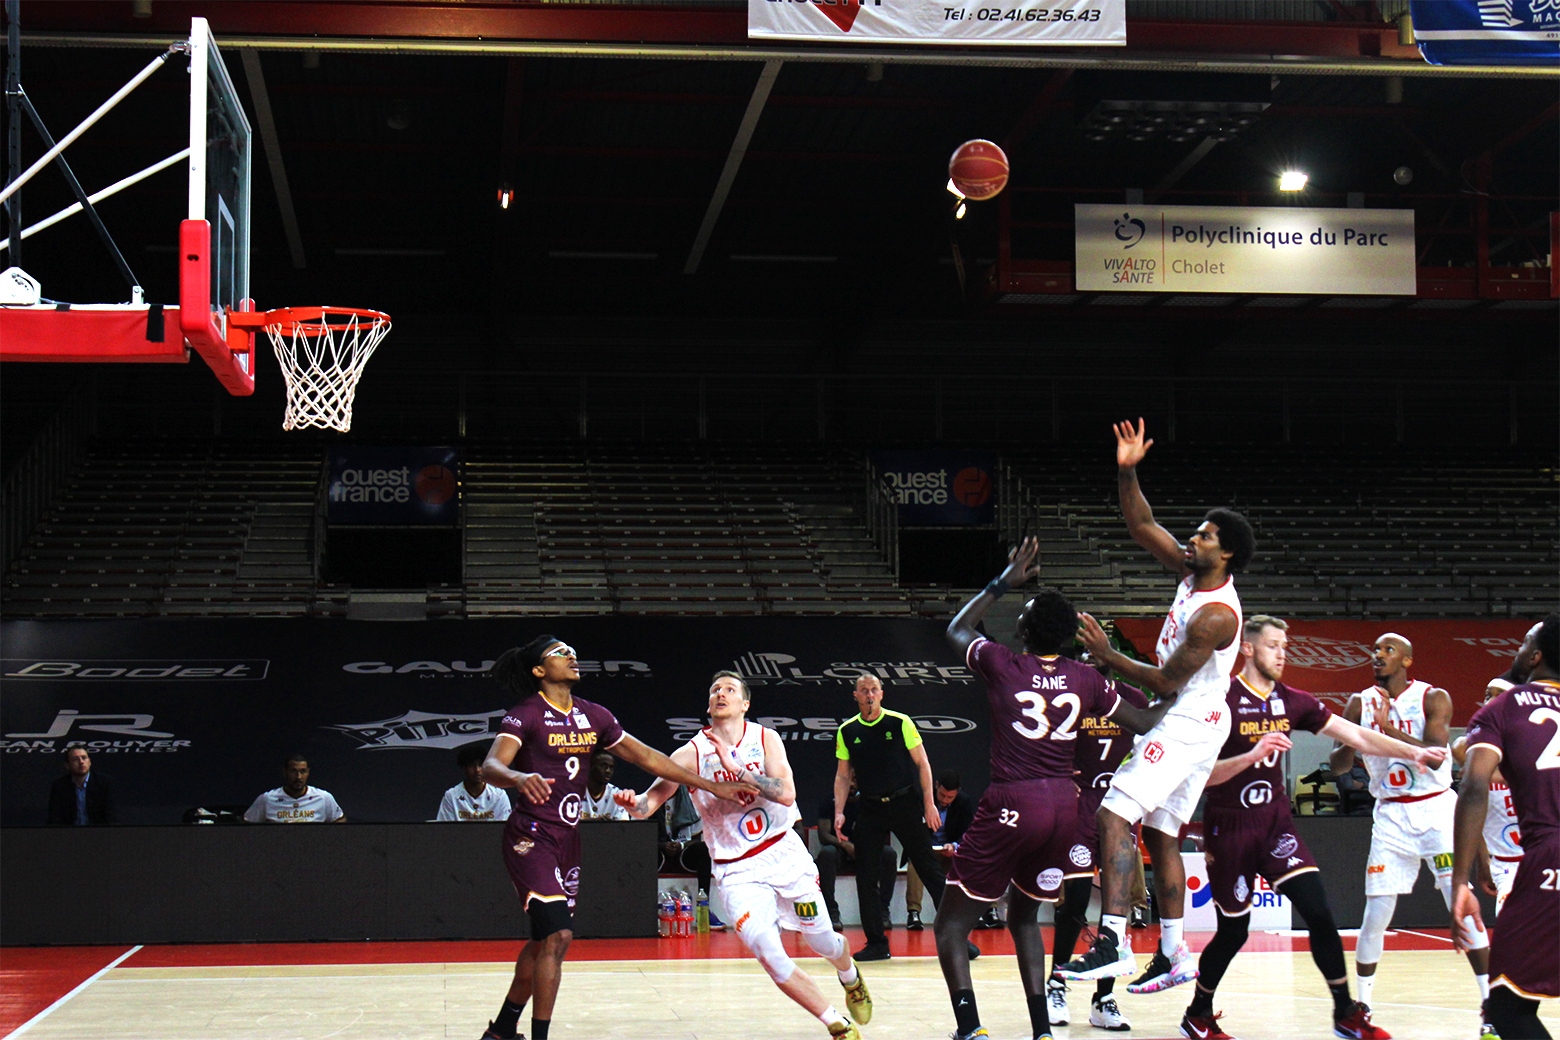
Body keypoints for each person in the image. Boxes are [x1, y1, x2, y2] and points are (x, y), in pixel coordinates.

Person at [942, 538, 1178, 1040]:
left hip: (1014, 799)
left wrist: (1005, 580)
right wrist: (1185, 692)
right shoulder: (1085, 679)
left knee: (951, 925)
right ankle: (1041, 1031)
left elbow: (958, 628)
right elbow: (1142, 719)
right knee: (1026, 917)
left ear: (1022, 631)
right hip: (1064, 808)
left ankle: (971, 1029)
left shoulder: (1004, 663)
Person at [1179, 615, 1446, 1040]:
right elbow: (1199, 776)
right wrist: (1252, 755)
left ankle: (1345, 1013)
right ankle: (1197, 1012)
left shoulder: (1292, 699)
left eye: (1285, 646)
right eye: (1272, 646)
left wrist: (1412, 753)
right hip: (1229, 826)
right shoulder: (1221, 699)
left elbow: (1355, 736)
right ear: (1247, 649)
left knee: (1320, 913)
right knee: (1233, 931)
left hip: (1275, 825)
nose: (1282, 654)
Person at [1058, 418, 1253, 997]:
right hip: (1193, 715)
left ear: (1229, 554)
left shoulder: (1216, 614)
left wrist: (1106, 654)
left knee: (1115, 813)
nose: (1192, 541)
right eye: (1194, 534)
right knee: (1163, 835)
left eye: (1205, 537)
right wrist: (1127, 470)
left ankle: (1113, 940)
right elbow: (1142, 523)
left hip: (1190, 716)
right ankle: (1173, 952)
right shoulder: (1192, 573)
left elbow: (1167, 680)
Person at [477, 636, 756, 1040]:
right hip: (531, 836)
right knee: (559, 934)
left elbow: (646, 757)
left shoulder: (594, 716)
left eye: (572, 650)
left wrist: (709, 786)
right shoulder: (527, 714)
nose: (571, 656)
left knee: (542, 943)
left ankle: (502, 1031)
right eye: (559, 653)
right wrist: (519, 777)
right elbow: (490, 766)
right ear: (539, 670)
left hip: (568, 840)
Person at [617, 671, 874, 1040]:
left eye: (730, 689)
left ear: (745, 703)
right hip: (736, 869)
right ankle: (836, 1023)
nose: (721, 693)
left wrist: (739, 770)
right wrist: (634, 803)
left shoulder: (765, 739)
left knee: (823, 941)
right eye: (715, 689)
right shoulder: (690, 753)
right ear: (709, 703)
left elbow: (786, 794)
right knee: (769, 954)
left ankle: (849, 976)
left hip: (783, 854)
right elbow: (648, 804)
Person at [1328, 631, 1490, 1016]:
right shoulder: (1358, 702)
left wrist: (1386, 731)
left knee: (1460, 903)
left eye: (1388, 650)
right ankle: (1362, 1006)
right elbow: (1338, 766)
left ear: (1407, 661)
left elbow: (1435, 758)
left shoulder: (1434, 697)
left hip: (1436, 810)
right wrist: (1356, 738)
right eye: (1375, 649)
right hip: (1390, 815)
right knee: (1375, 914)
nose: (1378, 655)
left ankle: (1489, 1001)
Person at [1453, 613, 1560, 1040]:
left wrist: (1461, 881)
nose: (1515, 651)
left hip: (1548, 854)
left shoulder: (1504, 707)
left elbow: (1475, 785)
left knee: (1507, 1006)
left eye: (1523, 643)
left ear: (1535, 657)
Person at [834, 673, 971, 963]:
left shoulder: (900, 722)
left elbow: (923, 763)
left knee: (929, 869)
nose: (869, 694)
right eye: (863, 690)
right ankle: (876, 943)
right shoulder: (847, 730)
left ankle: (957, 938)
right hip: (870, 807)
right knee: (866, 877)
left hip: (904, 802)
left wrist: (929, 805)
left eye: (874, 690)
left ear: (882, 694)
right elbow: (843, 775)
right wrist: (838, 811)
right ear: (856, 696)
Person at [1047, 650, 1150, 1032]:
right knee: (1073, 900)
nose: (1091, 659)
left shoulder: (1133, 700)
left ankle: (1103, 998)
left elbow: (1153, 749)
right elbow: (1043, 745)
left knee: (1115, 907)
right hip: (1080, 805)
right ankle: (1056, 982)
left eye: (1097, 652)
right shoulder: (1068, 699)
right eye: (1083, 653)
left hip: (1120, 806)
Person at [1451, 672, 1524, 919]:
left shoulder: (1534, 744)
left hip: (1542, 857)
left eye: (1498, 695)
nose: (1490, 700)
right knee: (1510, 934)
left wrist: (1493, 775)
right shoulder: (1470, 748)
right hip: (1505, 863)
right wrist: (1484, 862)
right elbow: (1477, 814)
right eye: (1487, 695)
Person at [816, 779, 896, 932]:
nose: (851, 784)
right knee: (826, 853)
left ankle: (882, 911)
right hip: (840, 853)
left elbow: (882, 833)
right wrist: (845, 845)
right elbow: (823, 835)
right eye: (847, 780)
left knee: (888, 854)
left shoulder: (870, 802)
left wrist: (864, 847)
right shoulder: (829, 801)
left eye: (854, 780)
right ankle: (831, 912)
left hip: (866, 852)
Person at [906, 771, 975, 931]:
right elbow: (912, 828)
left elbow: (968, 831)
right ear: (936, 786)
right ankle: (914, 913)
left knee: (968, 862)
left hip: (949, 853)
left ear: (957, 793)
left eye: (949, 797)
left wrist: (954, 845)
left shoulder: (964, 802)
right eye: (942, 795)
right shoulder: (921, 798)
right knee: (915, 863)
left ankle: (972, 912)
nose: (944, 800)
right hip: (926, 851)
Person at [243, 753, 345, 823]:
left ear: (308, 772)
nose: (298, 777)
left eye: (303, 771)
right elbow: (247, 824)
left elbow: (340, 820)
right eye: (293, 771)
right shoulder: (267, 798)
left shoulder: (323, 797)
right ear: (285, 772)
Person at [438, 742, 513, 822]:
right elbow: (444, 830)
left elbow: (505, 830)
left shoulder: (499, 796)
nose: (477, 770)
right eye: (471, 765)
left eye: (481, 765)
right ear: (464, 768)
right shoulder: (451, 796)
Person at [45, 746, 117, 826]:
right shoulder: (59, 786)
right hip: (68, 834)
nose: (81, 762)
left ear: (89, 761)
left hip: (98, 834)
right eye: (75, 759)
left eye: (84, 758)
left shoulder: (104, 783)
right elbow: (54, 818)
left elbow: (111, 817)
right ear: (67, 765)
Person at [580, 750, 629, 821]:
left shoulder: (617, 795)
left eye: (611, 768)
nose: (608, 771)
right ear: (590, 767)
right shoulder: (574, 791)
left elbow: (625, 826)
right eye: (603, 766)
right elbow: (565, 824)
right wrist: (593, 823)